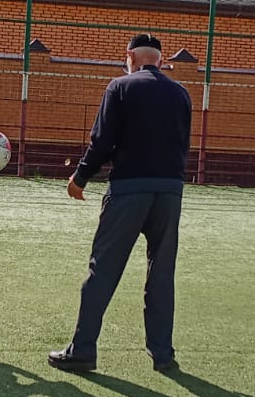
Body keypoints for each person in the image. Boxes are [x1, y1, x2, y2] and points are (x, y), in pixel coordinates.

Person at [48, 33, 192, 373]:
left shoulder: (120, 87)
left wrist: (80, 177)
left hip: (129, 189)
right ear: (160, 60)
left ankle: (83, 350)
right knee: (161, 274)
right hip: (170, 191)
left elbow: (102, 141)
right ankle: (163, 355)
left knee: (103, 270)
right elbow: (183, 144)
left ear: (130, 56)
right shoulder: (181, 93)